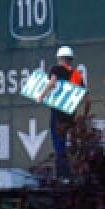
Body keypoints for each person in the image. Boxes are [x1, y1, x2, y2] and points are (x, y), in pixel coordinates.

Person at [39, 46, 86, 179]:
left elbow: (52, 83)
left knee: (59, 145)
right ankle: (71, 174)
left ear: (59, 58)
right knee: (67, 143)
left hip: (57, 114)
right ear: (71, 59)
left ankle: (63, 176)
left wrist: (41, 96)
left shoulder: (56, 69)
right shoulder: (77, 75)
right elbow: (84, 96)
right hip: (70, 115)